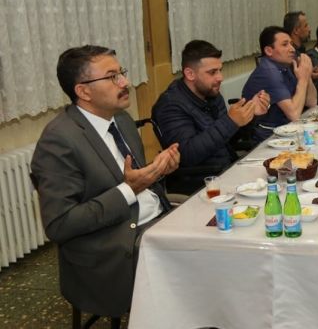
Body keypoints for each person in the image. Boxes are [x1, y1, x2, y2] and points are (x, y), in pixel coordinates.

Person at [31, 45, 180, 318]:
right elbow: (59, 224)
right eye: (112, 77)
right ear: (83, 91)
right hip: (112, 246)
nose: (125, 82)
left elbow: (129, 178)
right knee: (200, 270)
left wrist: (158, 170)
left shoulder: (121, 119)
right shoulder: (58, 140)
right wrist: (129, 190)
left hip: (156, 220)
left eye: (121, 73)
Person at [152, 40, 269, 176]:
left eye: (220, 70)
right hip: (202, 180)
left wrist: (250, 114)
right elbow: (187, 155)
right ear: (190, 74)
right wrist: (231, 121)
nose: (220, 78)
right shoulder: (170, 105)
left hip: (228, 168)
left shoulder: (211, 93)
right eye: (212, 72)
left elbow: (228, 139)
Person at [242, 26, 318, 142]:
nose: (292, 49)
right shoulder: (269, 72)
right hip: (267, 136)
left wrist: (306, 74)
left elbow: (312, 102)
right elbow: (294, 114)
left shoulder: (284, 66)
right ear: (269, 51)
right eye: (285, 44)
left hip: (286, 129)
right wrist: (303, 80)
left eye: (291, 44)